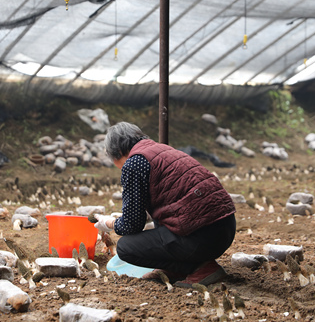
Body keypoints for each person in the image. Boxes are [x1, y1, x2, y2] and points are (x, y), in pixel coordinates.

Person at [94, 122, 236, 287]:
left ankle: (197, 268)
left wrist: (109, 223)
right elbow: (172, 198)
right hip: (224, 228)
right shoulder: (163, 151)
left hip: (201, 237)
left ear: (118, 152)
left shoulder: (133, 164)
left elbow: (131, 226)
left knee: (126, 247)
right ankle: (176, 269)